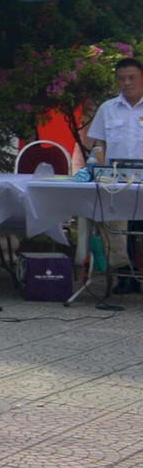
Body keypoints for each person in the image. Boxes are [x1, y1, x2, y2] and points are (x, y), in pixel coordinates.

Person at [84, 55, 143, 292]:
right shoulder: (108, 109)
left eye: (131, 78)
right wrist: (93, 167)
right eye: (121, 79)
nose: (126, 83)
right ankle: (122, 271)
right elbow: (99, 145)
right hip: (116, 179)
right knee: (106, 215)